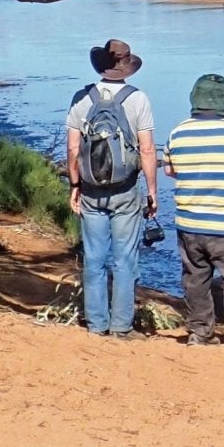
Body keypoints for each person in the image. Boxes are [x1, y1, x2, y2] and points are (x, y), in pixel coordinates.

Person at [64, 39, 158, 338]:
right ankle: (121, 326)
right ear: (127, 68)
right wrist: (152, 191)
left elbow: (72, 148)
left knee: (94, 258)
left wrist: (75, 184)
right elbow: (147, 150)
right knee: (125, 259)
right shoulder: (137, 99)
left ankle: (95, 324)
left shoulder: (81, 98)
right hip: (126, 190)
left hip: (90, 191)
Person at [162, 73, 224, 351]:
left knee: (195, 280)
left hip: (189, 224)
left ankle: (199, 333)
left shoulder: (178, 131)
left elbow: (170, 169)